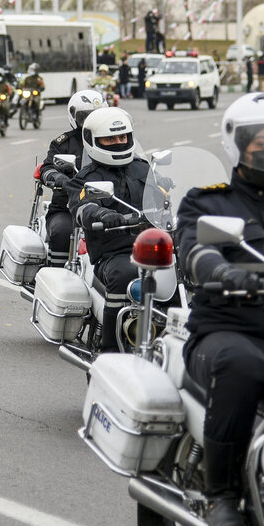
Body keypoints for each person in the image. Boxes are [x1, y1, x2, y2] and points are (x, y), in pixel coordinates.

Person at [174, 93, 264, 526]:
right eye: (262, 139)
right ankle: (223, 493)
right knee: (243, 367)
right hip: (227, 329)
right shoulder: (208, 202)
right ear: (238, 144)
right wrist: (223, 270)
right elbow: (193, 251)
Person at [70, 107, 150, 351]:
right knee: (125, 275)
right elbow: (80, 207)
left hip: (154, 247)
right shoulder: (86, 177)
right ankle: (110, 353)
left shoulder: (144, 168)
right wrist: (102, 213)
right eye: (110, 139)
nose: (118, 142)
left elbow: (166, 197)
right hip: (115, 252)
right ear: (93, 141)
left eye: (122, 137)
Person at [38, 90, 107, 265]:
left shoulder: (112, 139)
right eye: (86, 117)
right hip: (67, 207)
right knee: (62, 231)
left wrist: (153, 178)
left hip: (109, 207)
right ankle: (56, 276)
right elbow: (47, 167)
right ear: (74, 117)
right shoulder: (64, 143)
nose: (91, 121)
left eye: (97, 115)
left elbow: (133, 161)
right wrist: (59, 178)